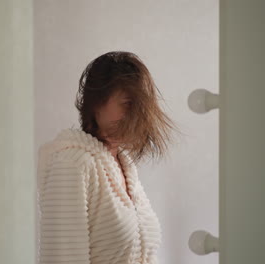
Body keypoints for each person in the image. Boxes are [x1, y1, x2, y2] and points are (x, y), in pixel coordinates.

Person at [37, 51, 180, 264]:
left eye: (140, 107)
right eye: (127, 104)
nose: (136, 117)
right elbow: (63, 258)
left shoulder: (123, 164)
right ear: (97, 103)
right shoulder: (72, 164)